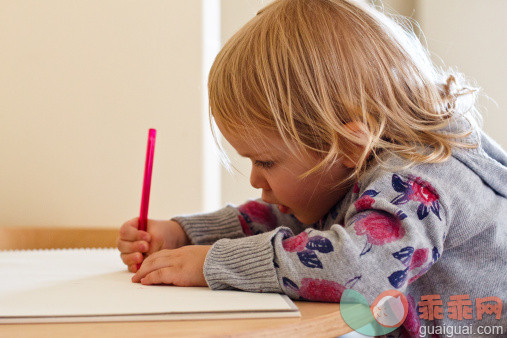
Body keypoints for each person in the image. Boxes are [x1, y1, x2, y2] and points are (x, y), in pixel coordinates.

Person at [118, 0, 506, 336]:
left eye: (265, 161)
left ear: (349, 146)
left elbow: (358, 268)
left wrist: (214, 264)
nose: (254, 179)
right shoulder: (359, 169)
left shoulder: (418, 185)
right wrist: (183, 234)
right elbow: (287, 219)